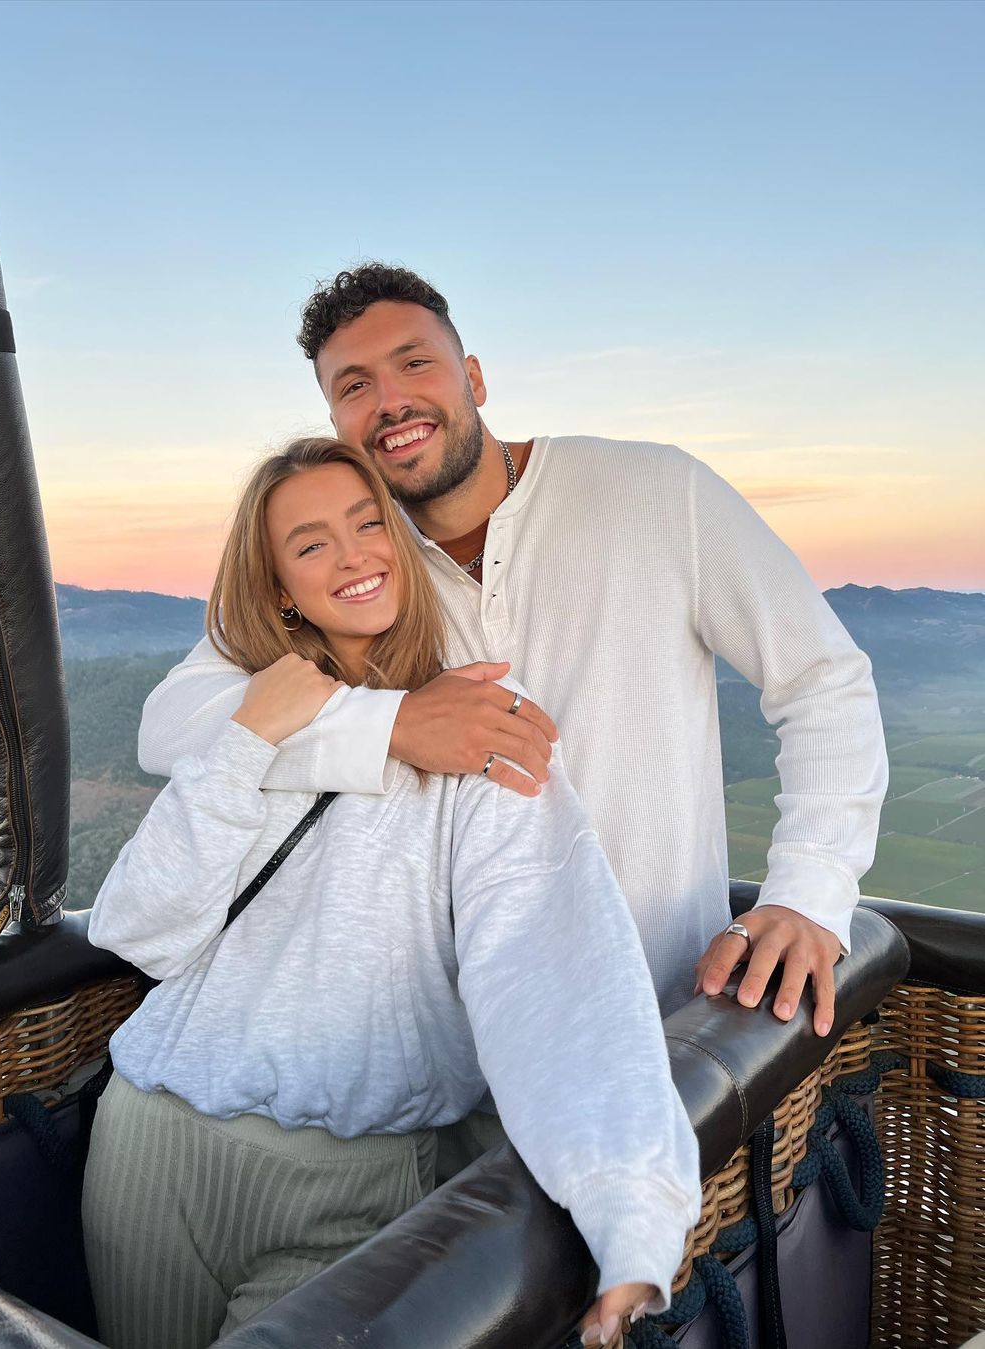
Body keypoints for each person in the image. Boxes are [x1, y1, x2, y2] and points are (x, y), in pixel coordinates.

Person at [139, 263, 888, 1032]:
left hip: (675, 1020)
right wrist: (391, 725)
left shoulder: (658, 491)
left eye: (414, 362)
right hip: (458, 1056)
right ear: (339, 426)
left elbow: (820, 679)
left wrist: (808, 891)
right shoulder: (360, 573)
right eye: (355, 386)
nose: (391, 400)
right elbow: (173, 722)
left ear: (473, 377)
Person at [84, 438, 701, 1349]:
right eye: (311, 543)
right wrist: (251, 739)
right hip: (151, 1148)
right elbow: (143, 928)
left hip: (353, 1188)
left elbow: (552, 957)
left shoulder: (481, 722)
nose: (353, 555)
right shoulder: (250, 710)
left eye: (369, 523)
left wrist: (629, 1213)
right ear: (281, 587)